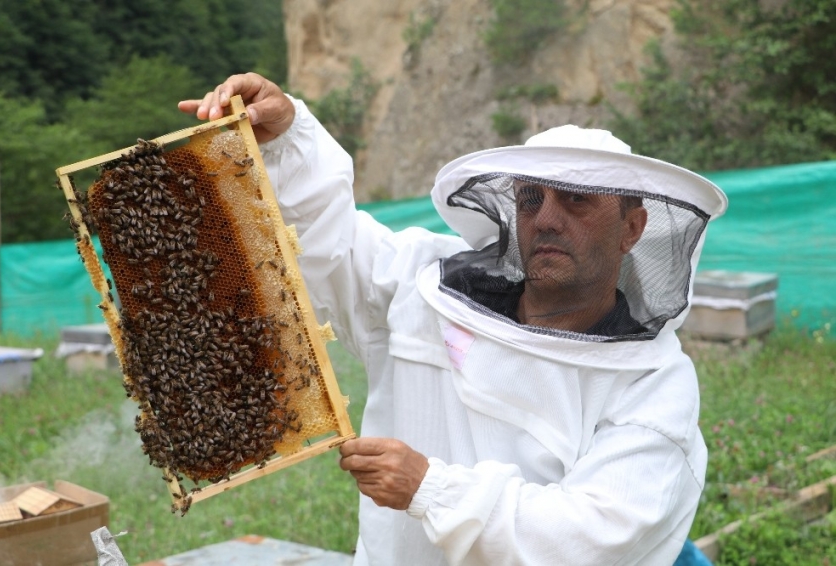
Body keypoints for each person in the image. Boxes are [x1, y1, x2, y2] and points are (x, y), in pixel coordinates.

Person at [179, 73, 727, 566]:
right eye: (531, 199)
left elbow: (592, 538)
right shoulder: (424, 287)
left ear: (632, 228)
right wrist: (288, 139)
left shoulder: (652, 386)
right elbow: (330, 246)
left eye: (578, 200)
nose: (547, 219)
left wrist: (429, 488)